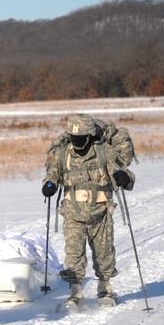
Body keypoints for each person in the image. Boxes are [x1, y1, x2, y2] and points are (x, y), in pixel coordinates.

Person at [41, 113, 136, 310]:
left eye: (81, 137)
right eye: (74, 138)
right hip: (73, 213)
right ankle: (75, 292)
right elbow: (52, 174)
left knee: (104, 253)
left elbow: (121, 171)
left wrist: (123, 178)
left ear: (90, 135)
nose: (77, 142)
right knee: (73, 254)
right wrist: (49, 184)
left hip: (100, 212)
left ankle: (105, 287)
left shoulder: (104, 151)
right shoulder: (63, 154)